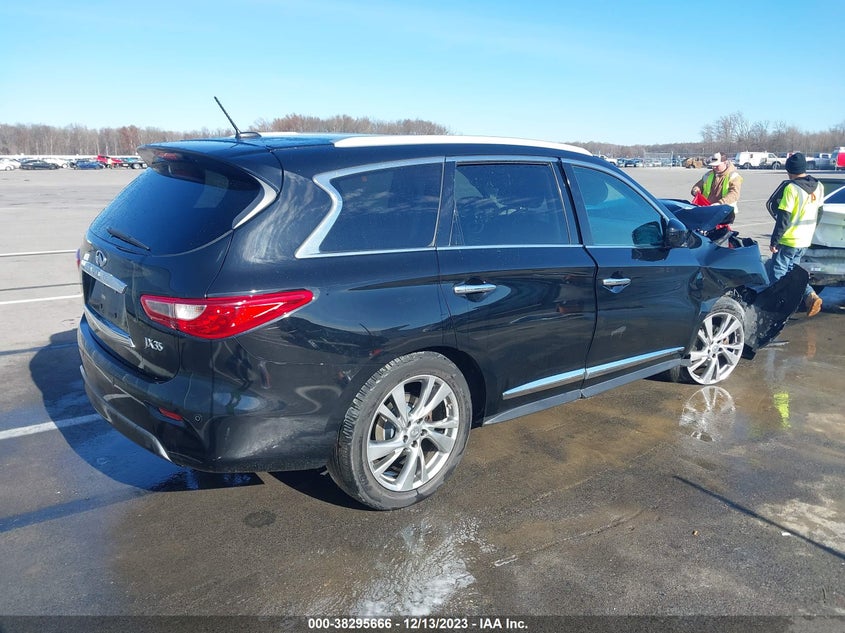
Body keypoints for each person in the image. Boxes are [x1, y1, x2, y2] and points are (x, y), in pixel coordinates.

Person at [766, 152, 824, 317]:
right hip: (805, 239)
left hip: (789, 239)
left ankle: (779, 306)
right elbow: (820, 212)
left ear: (790, 170)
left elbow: (784, 218)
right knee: (792, 272)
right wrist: (811, 230)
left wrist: (775, 241)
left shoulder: (791, 188)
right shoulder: (818, 186)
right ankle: (811, 296)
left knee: (778, 272)